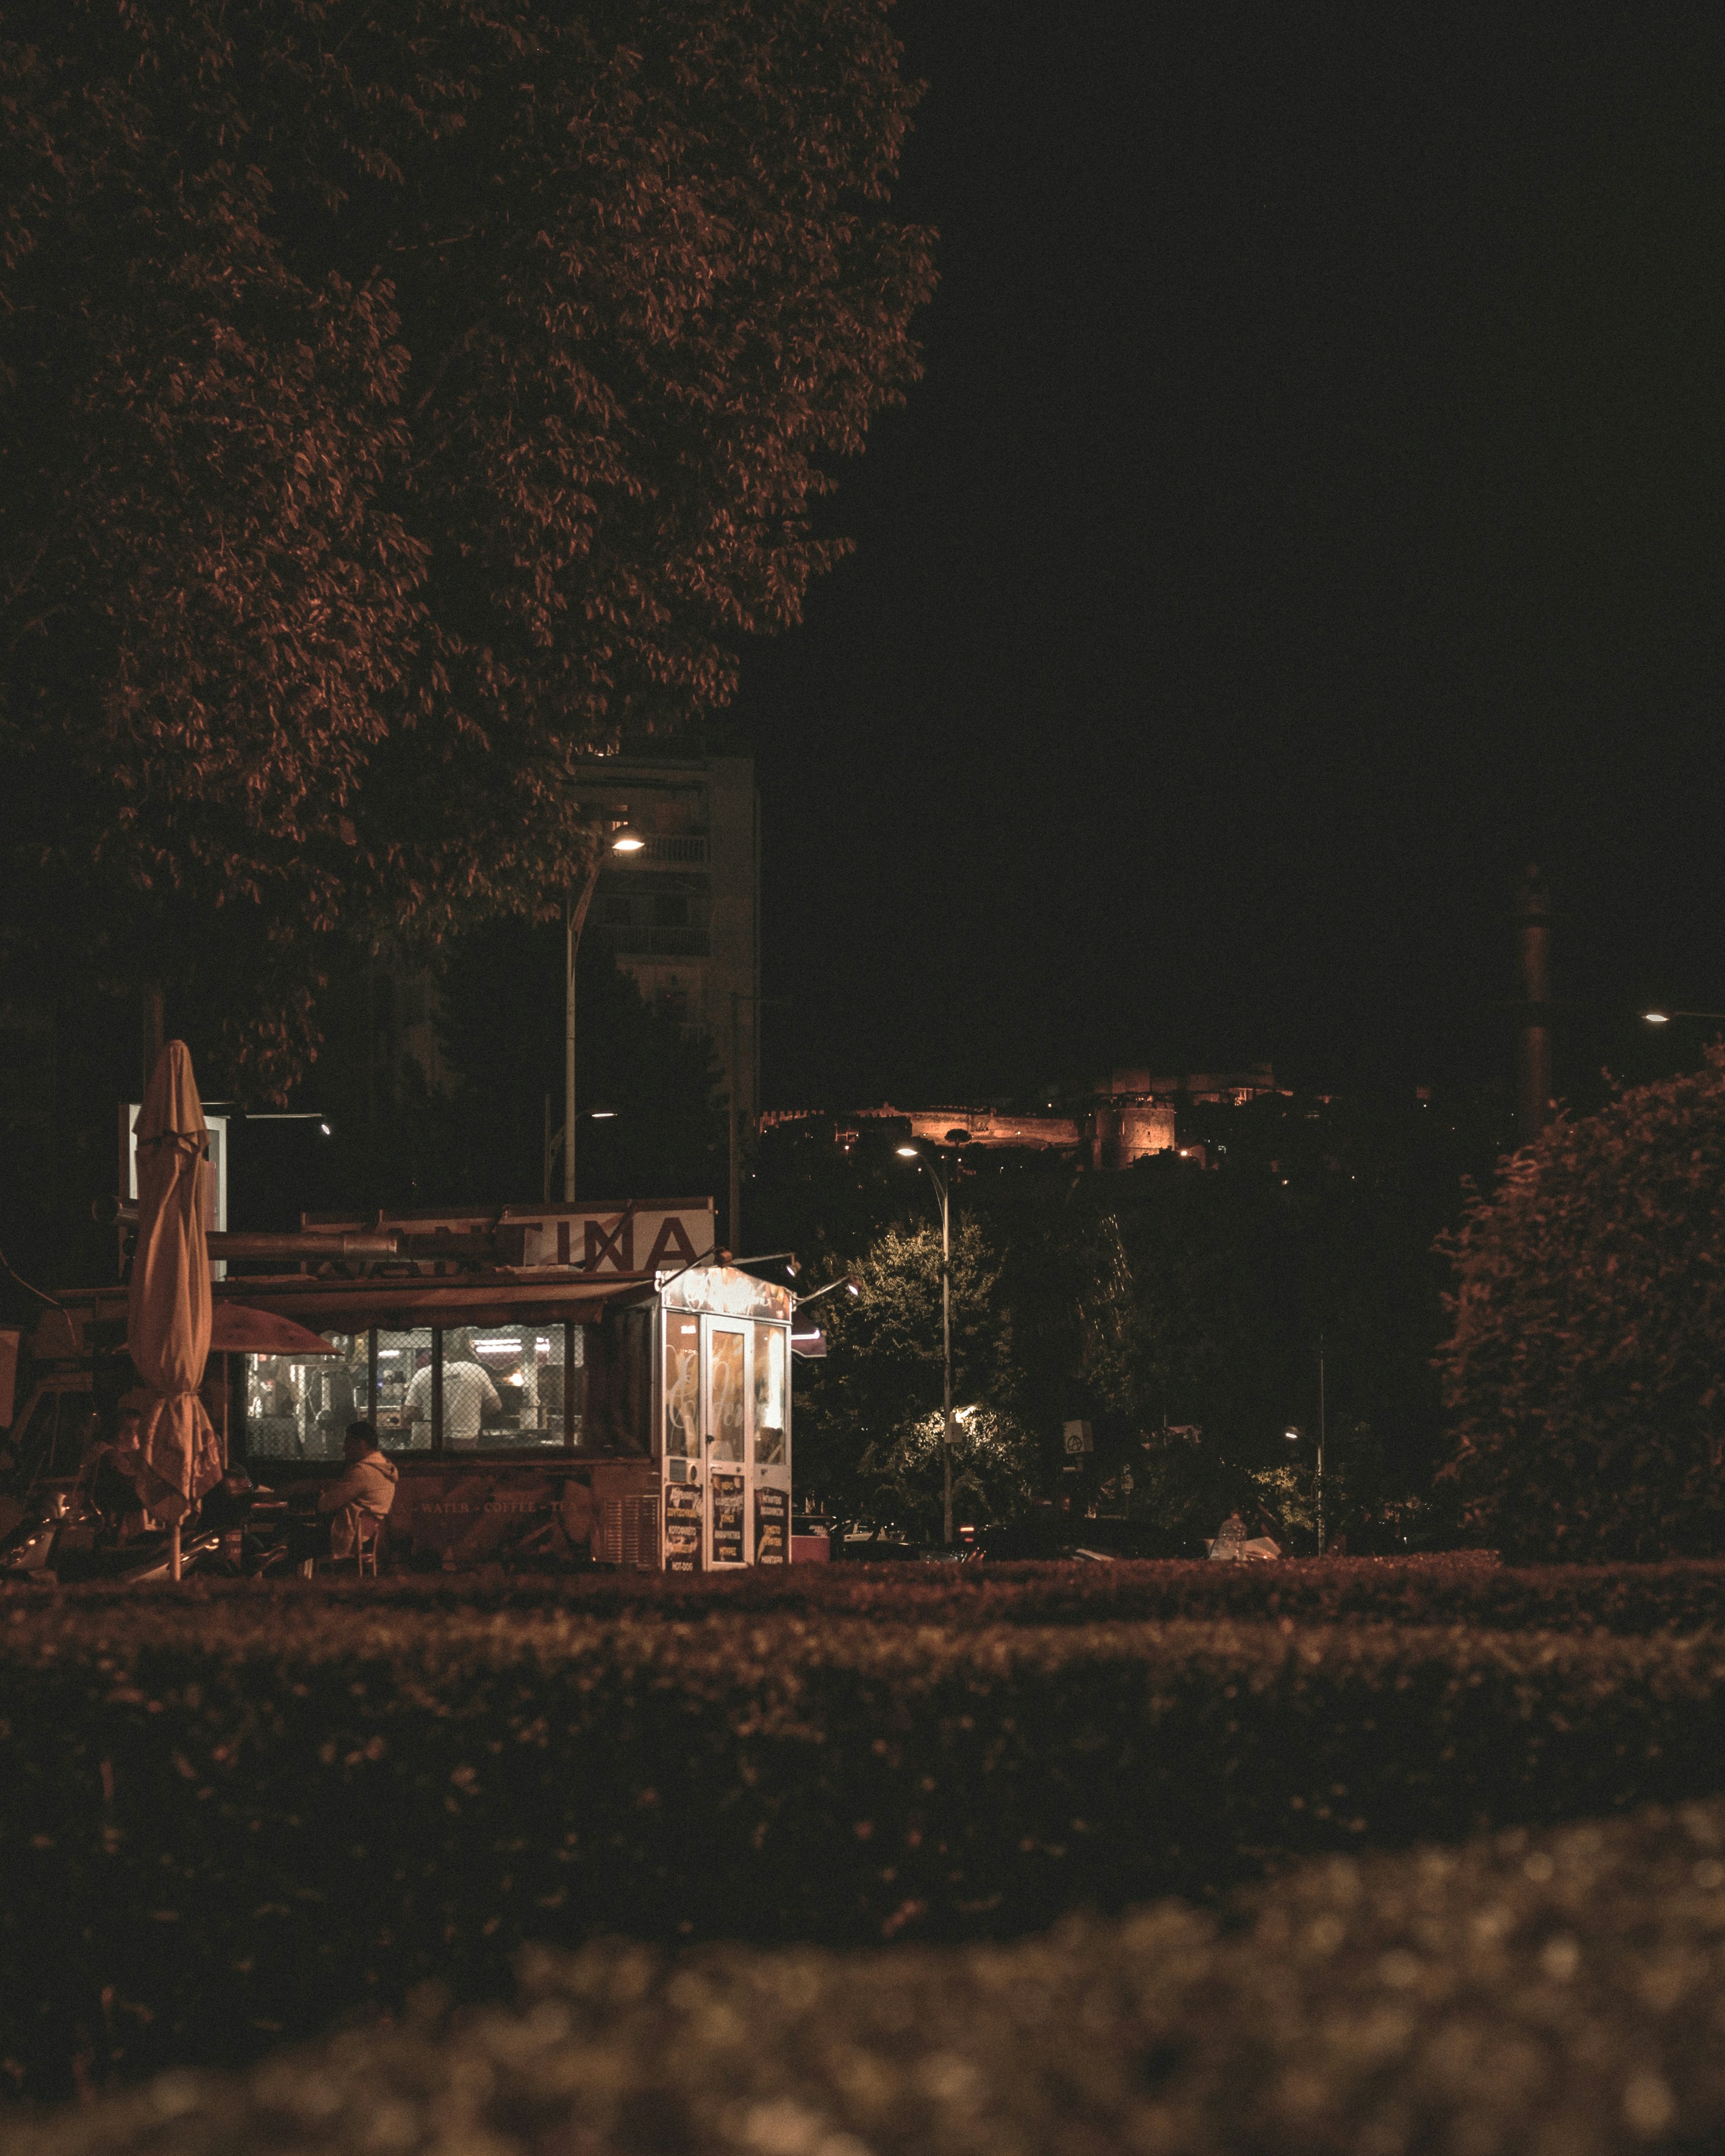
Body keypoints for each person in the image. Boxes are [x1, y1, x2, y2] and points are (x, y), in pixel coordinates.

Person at [315, 1419, 400, 1557]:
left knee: (294, 1534)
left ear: (361, 1444)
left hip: (350, 1536)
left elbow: (326, 1505)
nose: (344, 1448)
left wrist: (322, 1494)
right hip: (367, 1536)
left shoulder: (363, 1472)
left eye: (347, 1442)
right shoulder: (385, 1467)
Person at [405, 1329, 500, 1449]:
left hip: (435, 1440)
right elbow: (495, 1406)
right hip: (467, 1441)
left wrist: (427, 1413)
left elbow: (410, 1412)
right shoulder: (476, 1371)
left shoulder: (422, 1374)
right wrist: (474, 1410)